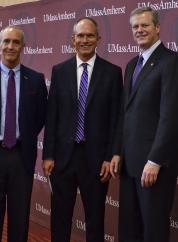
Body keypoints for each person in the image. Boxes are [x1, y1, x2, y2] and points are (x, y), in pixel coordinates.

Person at [42, 17, 122, 242]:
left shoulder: (113, 72)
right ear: (72, 40)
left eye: (89, 36)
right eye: (80, 36)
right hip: (62, 158)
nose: (85, 40)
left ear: (98, 39)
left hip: (96, 160)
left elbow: (116, 119)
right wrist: (48, 154)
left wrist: (109, 156)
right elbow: (52, 115)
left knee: (95, 217)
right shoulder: (59, 71)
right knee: (60, 216)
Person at [0, 25, 48, 242]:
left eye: (16, 42)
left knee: (20, 217)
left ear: (23, 46)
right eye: (6, 41)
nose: (11, 46)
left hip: (21, 157)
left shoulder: (36, 79)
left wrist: (22, 137)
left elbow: (41, 116)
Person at [110, 6, 178, 242]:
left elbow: (170, 117)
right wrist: (118, 153)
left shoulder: (171, 62)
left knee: (154, 232)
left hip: (153, 168)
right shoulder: (131, 64)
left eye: (145, 25)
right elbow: (125, 113)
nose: (139, 30)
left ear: (158, 27)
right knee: (129, 230)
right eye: (135, 26)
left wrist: (155, 160)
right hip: (129, 166)